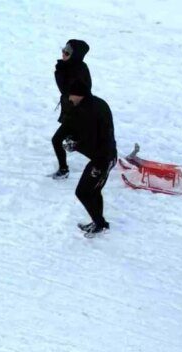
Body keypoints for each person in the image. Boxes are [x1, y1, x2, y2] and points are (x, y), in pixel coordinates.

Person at [61, 80, 117, 237]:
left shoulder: (88, 112)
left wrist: (75, 146)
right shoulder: (97, 103)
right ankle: (99, 222)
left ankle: (99, 224)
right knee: (94, 190)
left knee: (83, 192)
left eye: (70, 95)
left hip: (103, 159)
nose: (69, 98)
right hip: (106, 155)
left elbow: (93, 139)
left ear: (78, 95)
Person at [51, 39, 91, 180]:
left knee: (59, 140)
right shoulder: (69, 67)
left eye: (67, 52)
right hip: (72, 113)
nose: (63, 53)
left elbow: (72, 92)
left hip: (80, 115)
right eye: (63, 50)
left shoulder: (79, 70)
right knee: (69, 141)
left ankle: (64, 169)